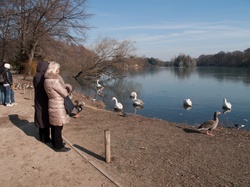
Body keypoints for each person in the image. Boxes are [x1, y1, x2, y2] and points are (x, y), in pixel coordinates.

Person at [44, 61, 71, 152]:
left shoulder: (46, 80)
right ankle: (58, 146)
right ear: (55, 70)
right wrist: (67, 87)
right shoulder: (54, 81)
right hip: (58, 105)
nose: (59, 70)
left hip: (52, 103)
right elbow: (64, 93)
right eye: (58, 69)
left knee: (55, 125)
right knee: (58, 126)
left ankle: (55, 142)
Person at [33, 61, 52, 143]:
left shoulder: (36, 75)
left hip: (38, 98)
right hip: (44, 100)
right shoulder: (44, 77)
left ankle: (42, 137)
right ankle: (46, 138)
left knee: (40, 117)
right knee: (44, 118)